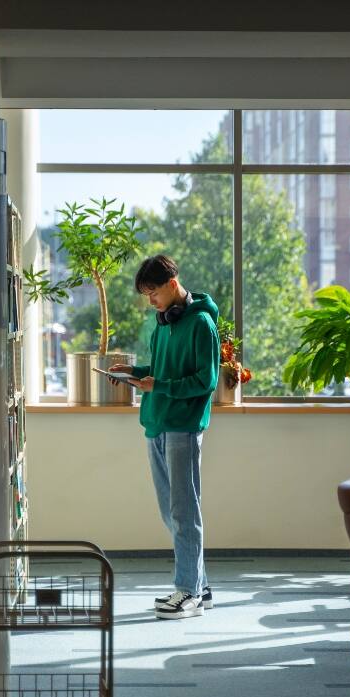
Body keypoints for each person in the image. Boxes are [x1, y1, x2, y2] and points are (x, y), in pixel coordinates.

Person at [108, 254, 219, 620]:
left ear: (173, 284)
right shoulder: (163, 325)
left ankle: (187, 591)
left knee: (184, 512)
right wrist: (132, 372)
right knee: (170, 511)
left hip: (183, 427)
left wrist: (162, 385)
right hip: (156, 423)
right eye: (146, 295)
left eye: (153, 292)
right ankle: (199, 585)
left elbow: (207, 381)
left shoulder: (202, 323)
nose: (150, 301)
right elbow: (157, 372)